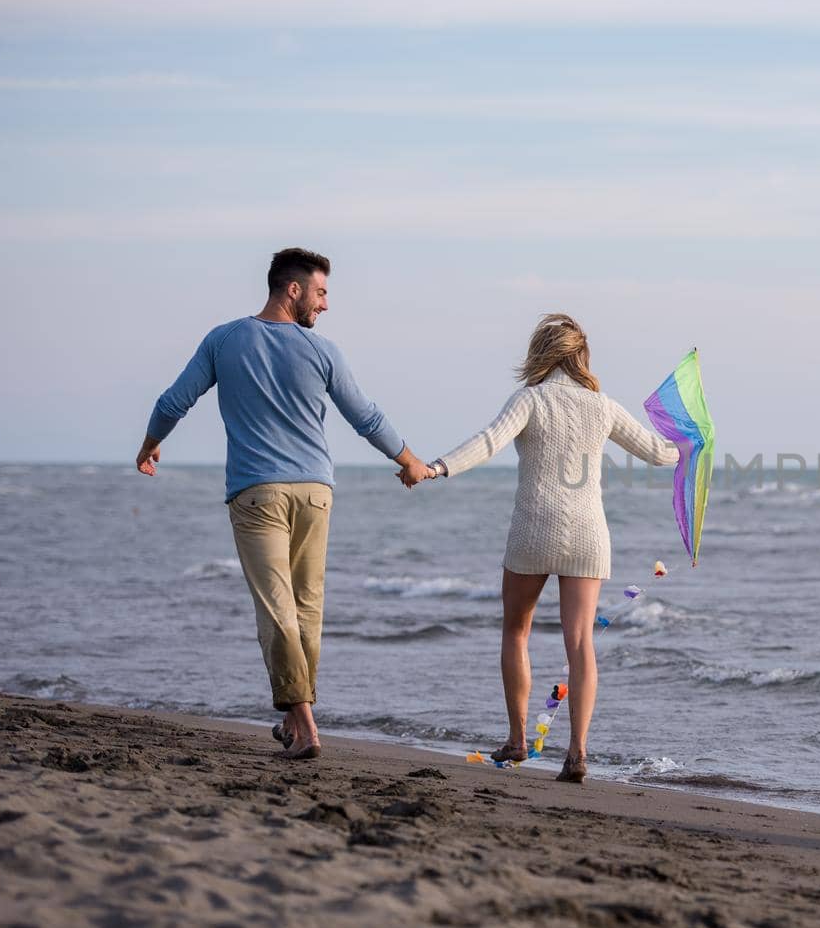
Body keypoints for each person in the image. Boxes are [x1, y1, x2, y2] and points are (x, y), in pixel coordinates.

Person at [136, 248, 434, 760]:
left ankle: (305, 723)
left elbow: (172, 401)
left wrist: (150, 443)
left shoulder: (225, 339)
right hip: (316, 493)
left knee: (277, 610)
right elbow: (365, 415)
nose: (325, 305)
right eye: (320, 293)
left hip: (258, 494)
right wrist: (409, 460)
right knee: (305, 610)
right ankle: (299, 721)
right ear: (292, 289)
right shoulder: (323, 352)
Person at [409, 313, 678, 782]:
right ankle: (576, 752)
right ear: (581, 357)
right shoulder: (603, 406)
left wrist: (436, 468)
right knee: (580, 643)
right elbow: (660, 454)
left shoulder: (530, 400)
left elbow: (488, 443)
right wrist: (688, 445)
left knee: (516, 631)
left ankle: (517, 739)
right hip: (588, 536)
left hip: (534, 530)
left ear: (542, 354)